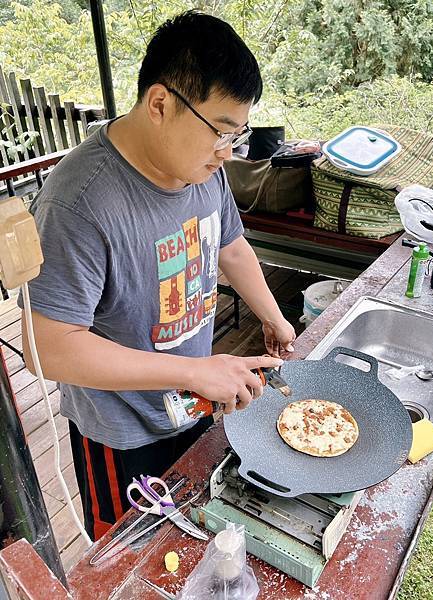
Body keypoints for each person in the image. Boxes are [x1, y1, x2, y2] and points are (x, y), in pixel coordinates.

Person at [19, 10, 296, 541]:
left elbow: (230, 246)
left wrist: (275, 318)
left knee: (188, 541)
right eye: (221, 132)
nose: (227, 154)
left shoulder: (200, 170)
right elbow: (47, 348)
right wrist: (193, 373)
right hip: (122, 433)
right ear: (161, 103)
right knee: (131, 558)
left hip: (191, 406)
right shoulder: (78, 202)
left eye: (237, 137)